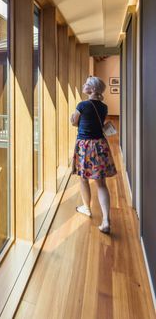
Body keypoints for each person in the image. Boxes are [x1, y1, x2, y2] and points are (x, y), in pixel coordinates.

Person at [70, 76, 117, 233]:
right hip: (100, 145)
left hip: (85, 145)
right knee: (101, 183)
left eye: (87, 83)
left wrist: (73, 117)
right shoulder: (104, 107)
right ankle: (106, 220)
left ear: (94, 89)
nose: (84, 84)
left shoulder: (82, 105)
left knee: (84, 179)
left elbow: (74, 122)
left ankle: (87, 208)